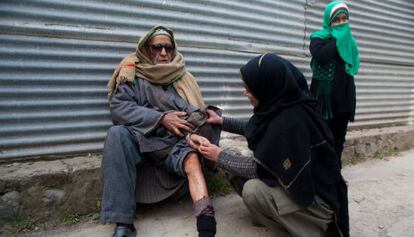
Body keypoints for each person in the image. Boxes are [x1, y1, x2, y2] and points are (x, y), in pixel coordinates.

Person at [188, 54, 350, 237]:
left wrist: (218, 156)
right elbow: (255, 126)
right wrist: (222, 121)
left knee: (253, 190)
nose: (245, 93)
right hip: (296, 186)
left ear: (266, 87)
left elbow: (257, 169)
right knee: (232, 158)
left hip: (319, 204)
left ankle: (306, 228)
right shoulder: (281, 104)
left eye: (249, 88)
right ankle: (277, 214)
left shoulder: (291, 121)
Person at [101, 26, 219, 237]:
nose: (163, 53)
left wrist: (192, 120)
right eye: (157, 48)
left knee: (191, 158)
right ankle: (123, 224)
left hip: (174, 142)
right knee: (116, 134)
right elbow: (119, 108)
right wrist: (161, 118)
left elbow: (194, 110)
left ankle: (206, 226)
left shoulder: (181, 75)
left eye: (168, 48)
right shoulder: (131, 73)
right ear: (147, 48)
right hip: (143, 139)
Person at [309, 1, 360, 168]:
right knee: (321, 135)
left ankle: (335, 172)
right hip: (323, 98)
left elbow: (352, 67)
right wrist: (338, 38)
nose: (341, 23)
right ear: (328, 20)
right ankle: (318, 172)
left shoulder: (350, 42)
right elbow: (321, 56)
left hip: (344, 96)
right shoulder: (318, 37)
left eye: (345, 19)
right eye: (336, 20)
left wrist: (343, 38)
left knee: (339, 137)